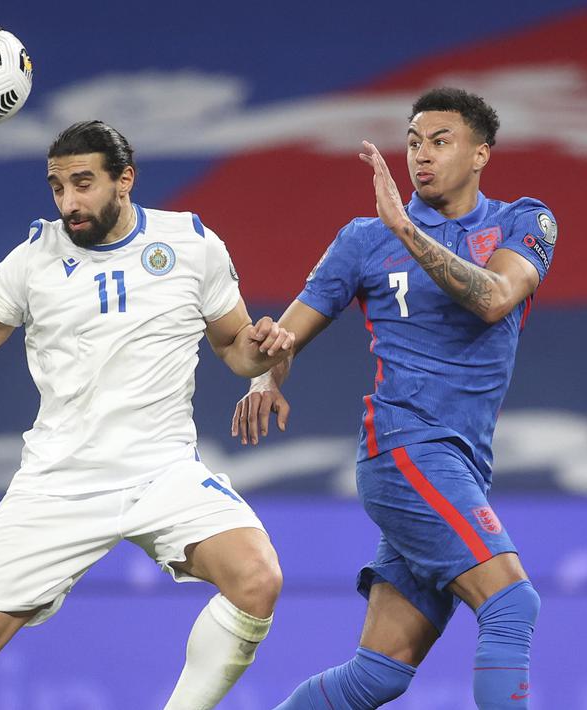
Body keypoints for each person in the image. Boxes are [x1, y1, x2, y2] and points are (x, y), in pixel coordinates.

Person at [0, 120, 294, 710]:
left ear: (125, 180)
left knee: (258, 578)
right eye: (56, 187)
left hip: (162, 470)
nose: (68, 203)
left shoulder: (192, 246)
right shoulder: (32, 260)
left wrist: (267, 359)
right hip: (59, 482)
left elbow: (234, 345)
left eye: (83, 183)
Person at [231, 88, 557, 709]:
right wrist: (264, 372)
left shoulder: (523, 220)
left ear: (482, 153)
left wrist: (406, 231)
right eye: (412, 143)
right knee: (512, 602)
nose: (421, 156)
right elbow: (286, 334)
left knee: (377, 674)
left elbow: (494, 299)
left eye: (440, 141)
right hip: (405, 452)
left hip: (462, 463)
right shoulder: (362, 239)